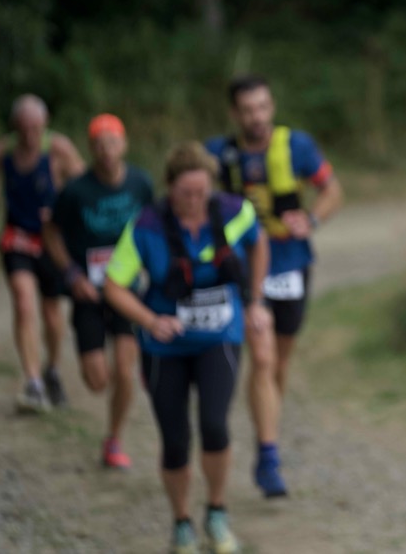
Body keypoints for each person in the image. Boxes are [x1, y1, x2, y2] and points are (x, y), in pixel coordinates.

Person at [103, 141, 266, 554]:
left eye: (201, 192)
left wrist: (255, 300)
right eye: (185, 193)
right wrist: (150, 321)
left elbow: (259, 242)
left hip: (220, 337)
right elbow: (113, 285)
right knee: (175, 440)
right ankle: (181, 523)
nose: (194, 200)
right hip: (165, 348)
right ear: (170, 187)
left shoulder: (234, 211)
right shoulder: (146, 226)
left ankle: (217, 513)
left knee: (215, 424)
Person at [205, 74, 343, 498]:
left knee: (278, 363)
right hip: (243, 268)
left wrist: (312, 218)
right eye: (248, 110)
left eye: (263, 107)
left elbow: (332, 190)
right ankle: (268, 455)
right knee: (262, 358)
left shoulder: (297, 146)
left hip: (290, 264)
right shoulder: (217, 154)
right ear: (235, 114)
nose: (257, 117)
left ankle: (268, 432)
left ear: (272, 107)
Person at [43, 114, 155, 468]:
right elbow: (51, 233)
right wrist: (71, 273)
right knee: (97, 381)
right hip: (88, 293)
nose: (107, 151)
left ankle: (114, 440)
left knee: (124, 370)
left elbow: (154, 225)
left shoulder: (140, 183)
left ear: (124, 144)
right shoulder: (76, 190)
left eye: (113, 142)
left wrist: (153, 266)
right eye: (99, 144)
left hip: (126, 290)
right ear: (90, 149)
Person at [0, 94, 85, 412]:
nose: (30, 135)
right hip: (17, 237)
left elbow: (84, 189)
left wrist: (63, 215)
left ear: (45, 124)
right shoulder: (3, 151)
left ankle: (52, 369)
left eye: (36, 128)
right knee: (24, 303)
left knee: (51, 313)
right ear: (14, 127)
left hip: (51, 241)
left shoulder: (59, 149)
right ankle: (33, 383)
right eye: (23, 129)